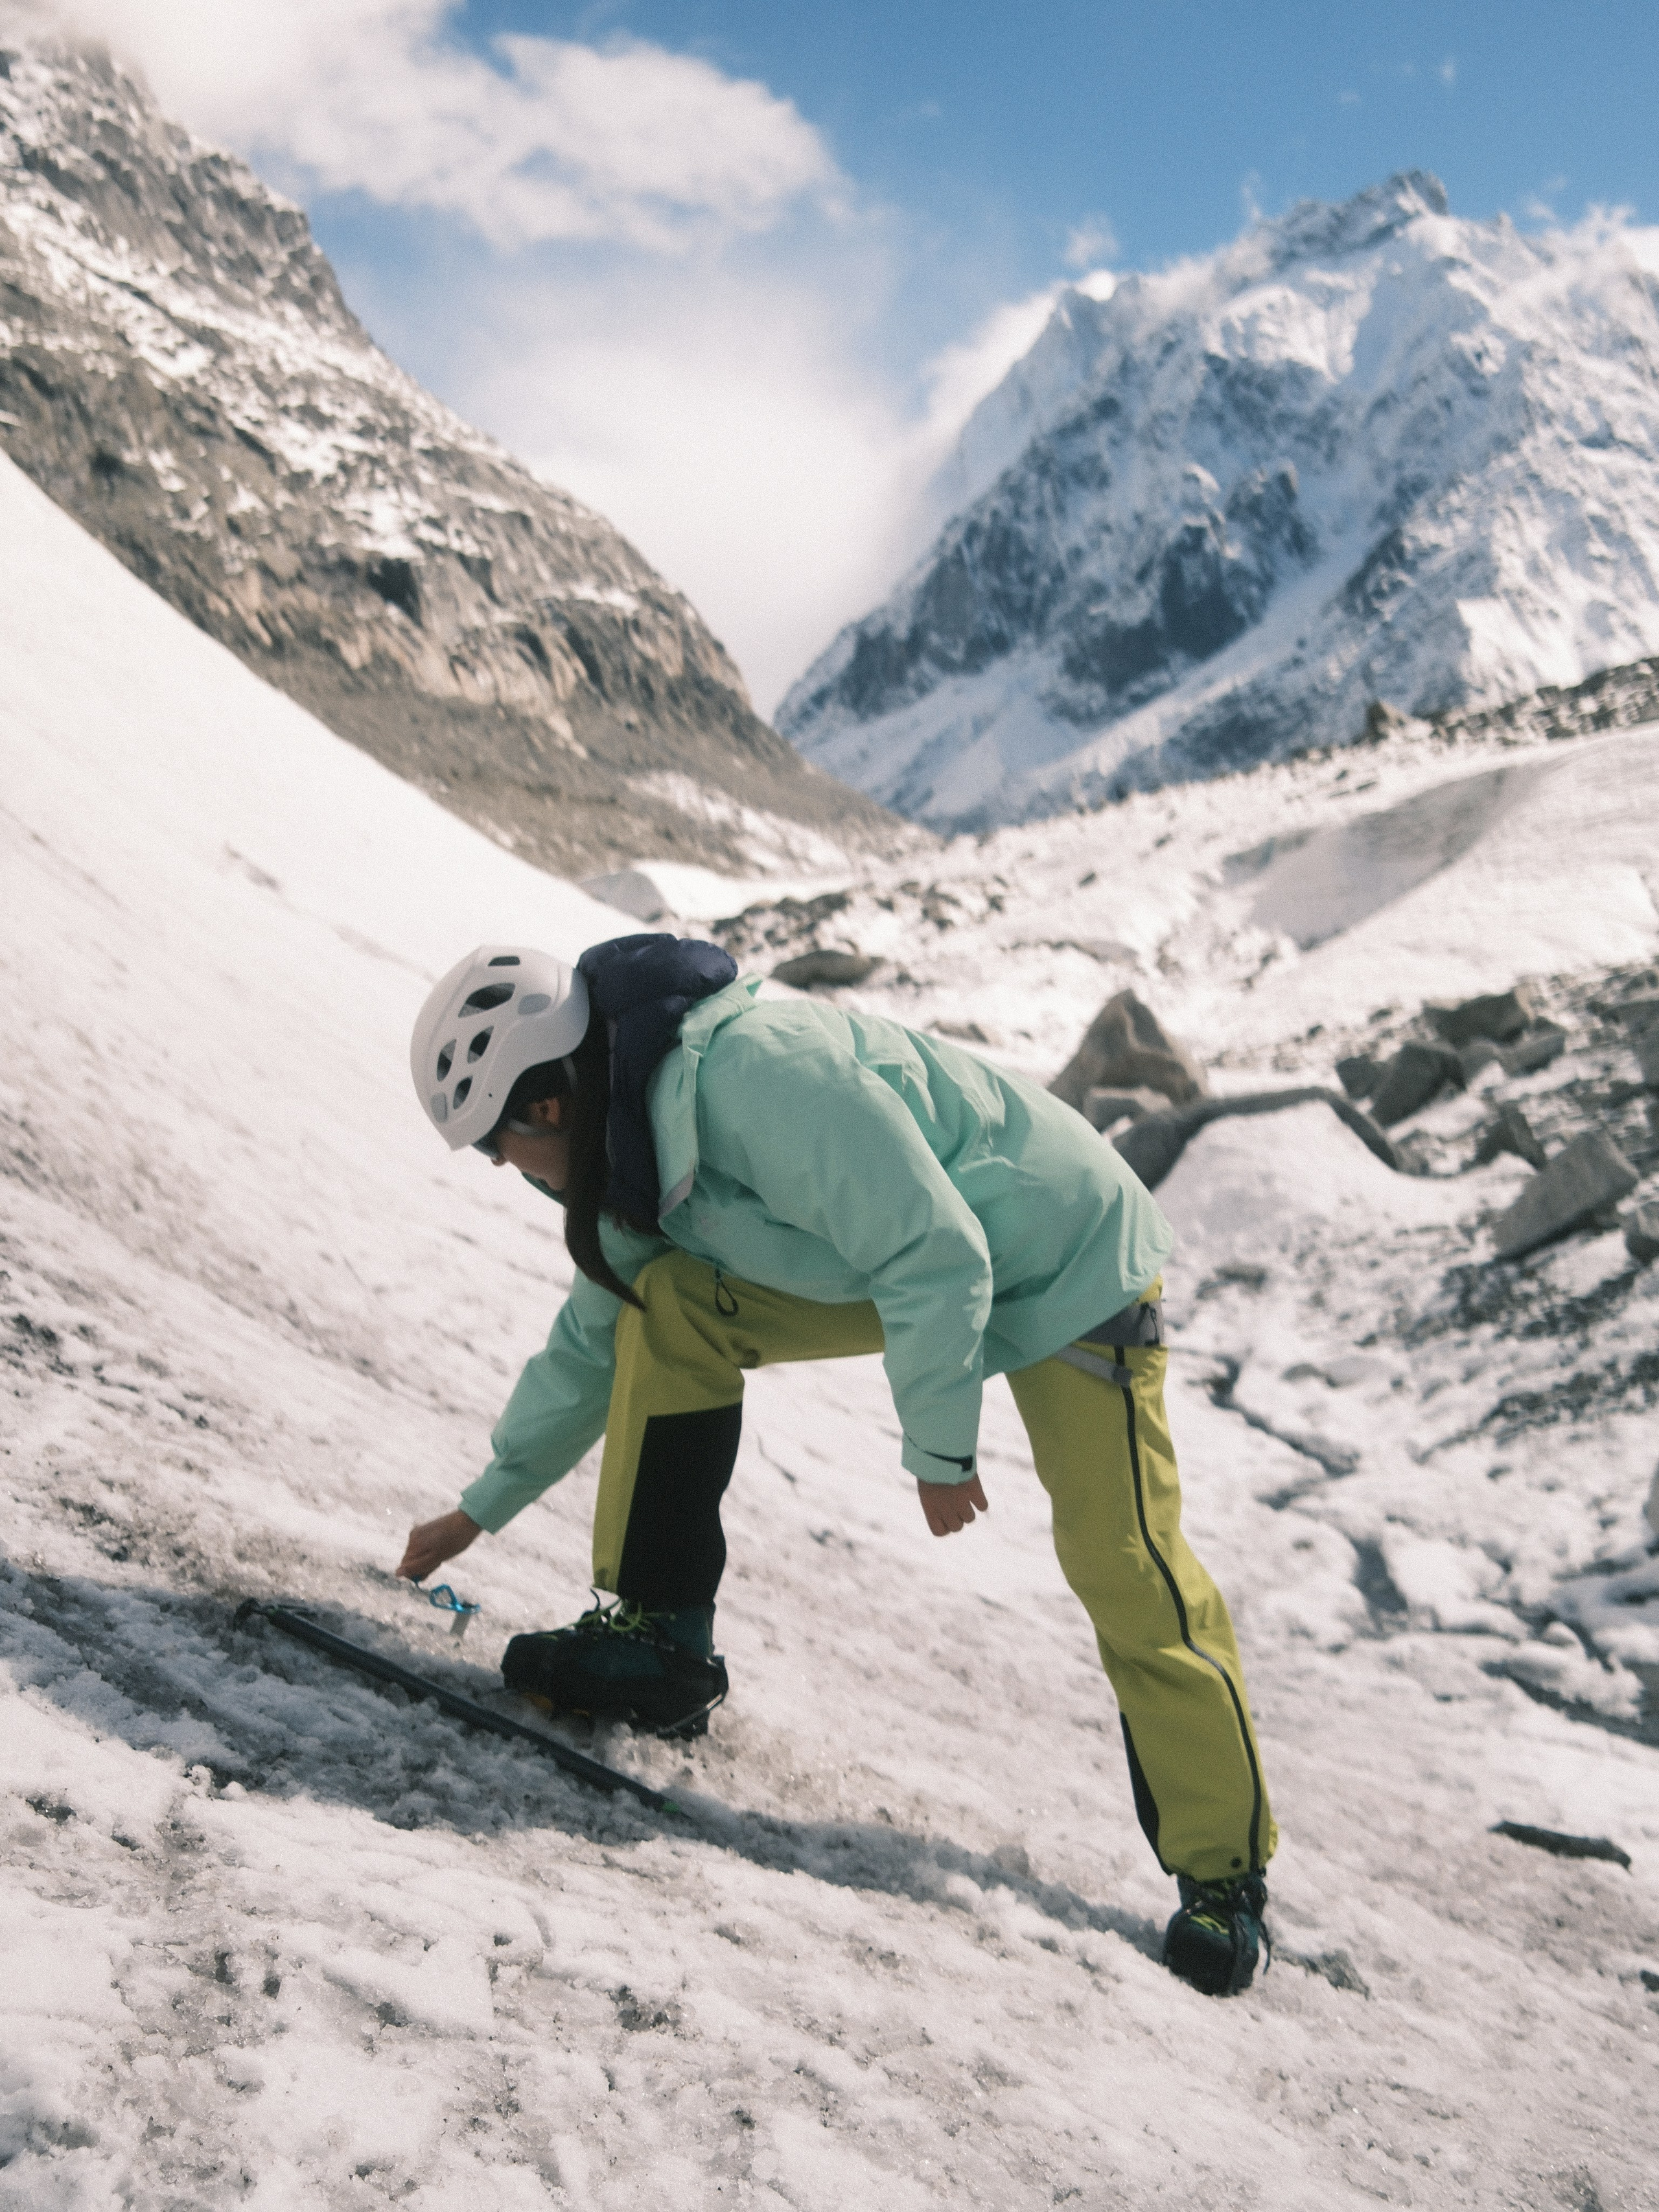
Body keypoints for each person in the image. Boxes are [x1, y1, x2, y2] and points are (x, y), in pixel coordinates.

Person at [398, 935, 1277, 1996]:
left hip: (1061, 1253)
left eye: (497, 1147)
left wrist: (939, 1449)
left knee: (1119, 1554)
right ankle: (657, 1637)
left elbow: (935, 1246)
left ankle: (1224, 1879)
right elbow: (595, 1339)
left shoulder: (757, 1075)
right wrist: (479, 1507)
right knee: (669, 1305)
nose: (506, 1171)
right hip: (911, 1258)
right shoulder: (625, 1150)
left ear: (543, 1106)